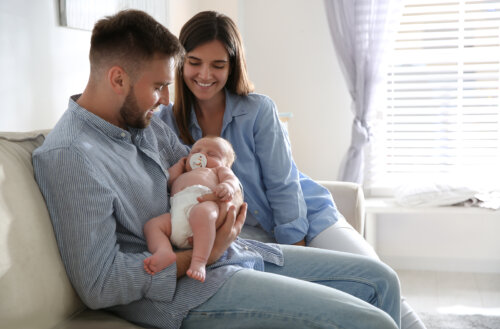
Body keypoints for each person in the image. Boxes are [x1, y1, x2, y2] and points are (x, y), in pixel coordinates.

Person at [33, 9, 401, 329]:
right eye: (159, 86)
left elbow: (203, 166)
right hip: (187, 290)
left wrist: (230, 189)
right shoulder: (70, 156)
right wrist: (201, 255)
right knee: (371, 322)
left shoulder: (141, 124)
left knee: (382, 280)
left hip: (231, 252)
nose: (165, 99)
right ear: (118, 79)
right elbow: (100, 283)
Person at [159, 10, 426, 329]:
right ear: (181, 62)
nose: (205, 74)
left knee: (379, 279)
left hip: (308, 217)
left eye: (218, 65)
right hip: (245, 235)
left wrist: (294, 247)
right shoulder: (165, 123)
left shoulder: (257, 110)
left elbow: (283, 185)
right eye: (195, 62)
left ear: (232, 67)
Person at [144, 136, 242, 282]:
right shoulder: (184, 173)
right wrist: (180, 164)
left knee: (202, 212)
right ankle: (163, 251)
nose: (201, 155)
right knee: (152, 225)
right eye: (195, 152)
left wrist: (227, 187)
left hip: (205, 206)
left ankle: (199, 261)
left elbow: (232, 180)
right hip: (177, 216)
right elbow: (169, 181)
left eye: (212, 154)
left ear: (226, 164)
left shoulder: (217, 170)